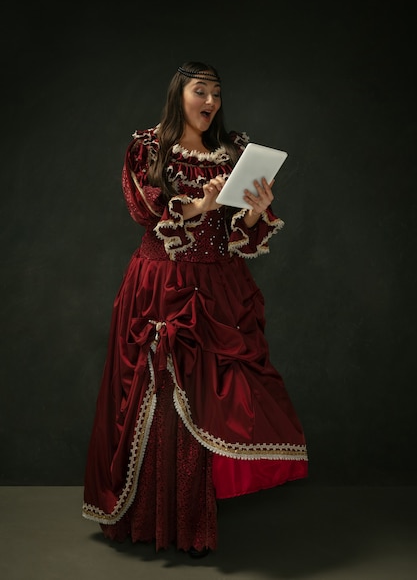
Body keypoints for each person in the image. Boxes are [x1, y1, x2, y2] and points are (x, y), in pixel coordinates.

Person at [82, 60, 308, 558]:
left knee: (213, 395)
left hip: (219, 286)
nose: (211, 102)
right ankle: (155, 520)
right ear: (178, 96)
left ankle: (195, 518)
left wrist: (251, 209)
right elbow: (145, 209)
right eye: (200, 91)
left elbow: (242, 232)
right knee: (162, 398)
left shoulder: (235, 151)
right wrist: (198, 206)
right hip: (163, 285)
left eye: (217, 93)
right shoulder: (148, 147)